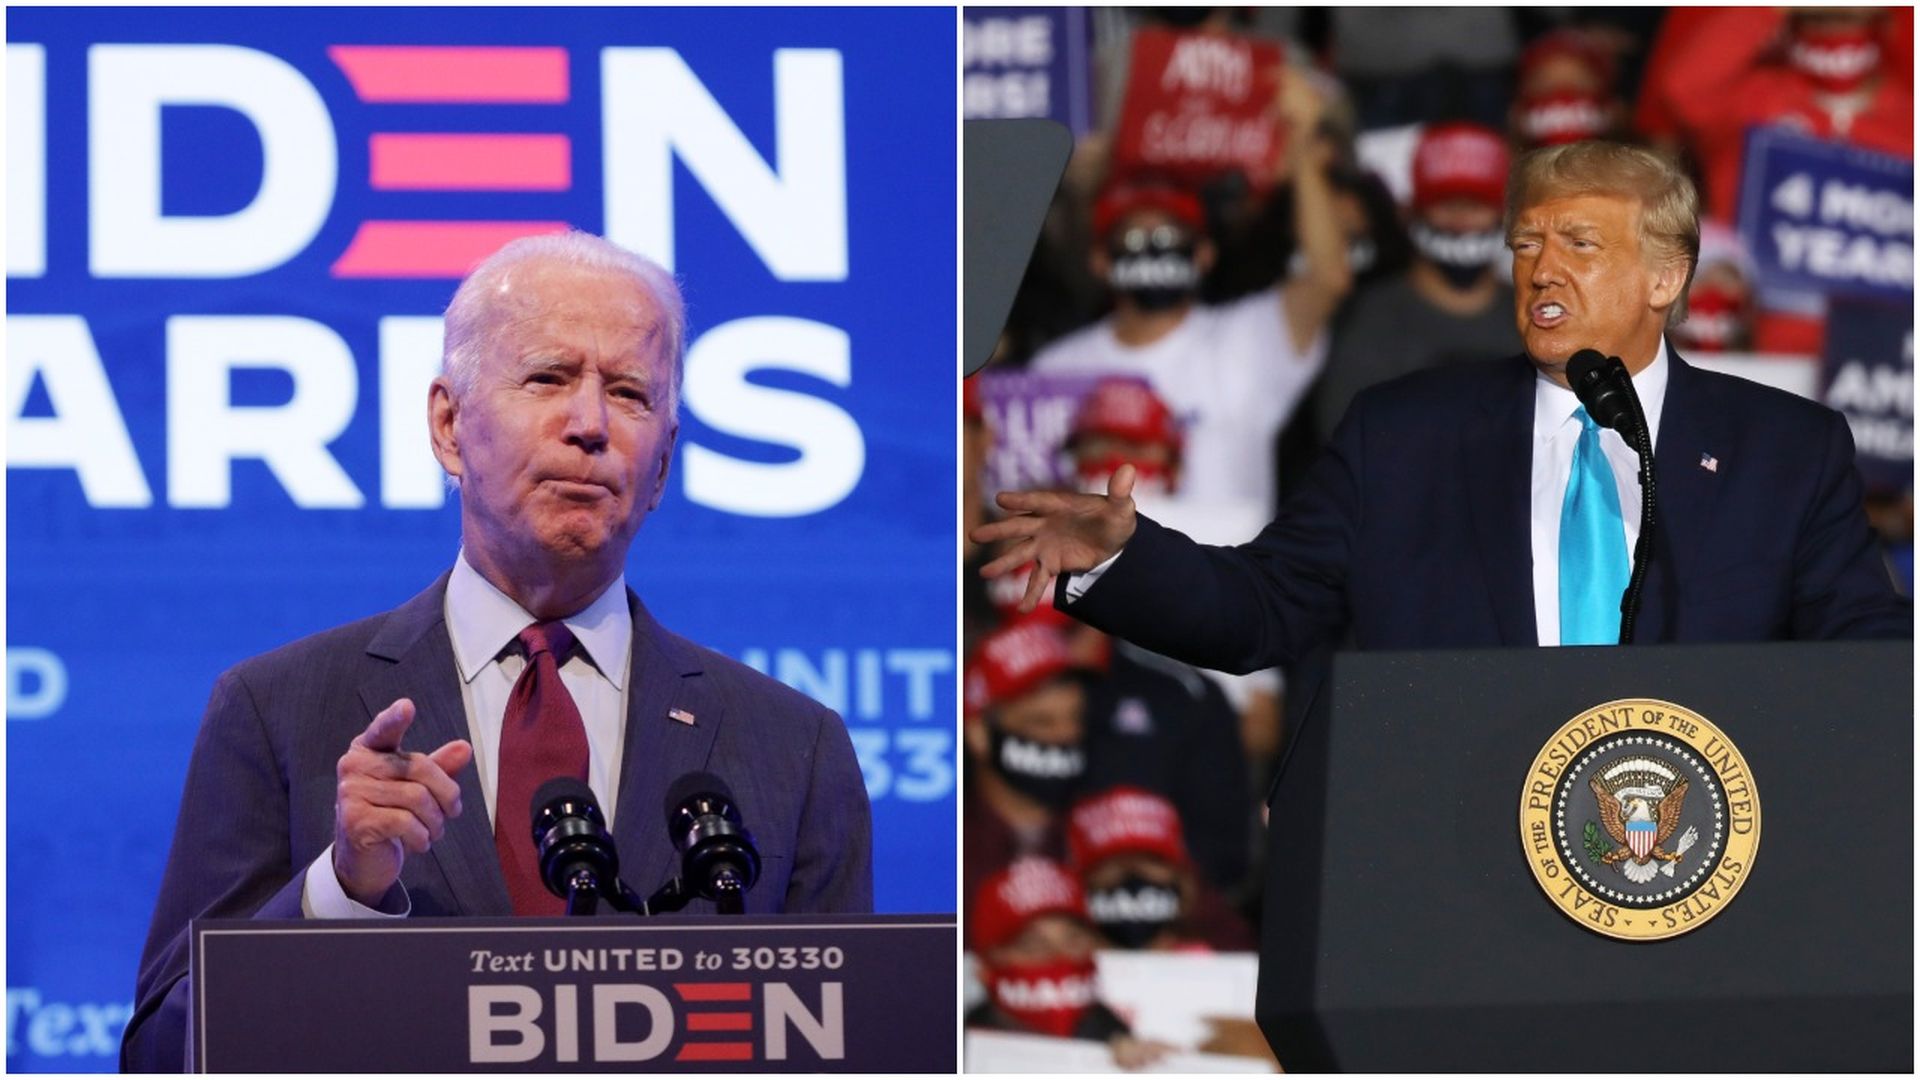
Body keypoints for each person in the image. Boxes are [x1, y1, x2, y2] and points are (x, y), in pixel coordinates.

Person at [123, 232, 873, 1071]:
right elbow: (164, 1052)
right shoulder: (277, 710)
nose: (588, 425)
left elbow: (855, 1048)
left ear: (662, 465)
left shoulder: (792, 748)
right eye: (548, 378)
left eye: (629, 393)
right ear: (449, 424)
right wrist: (343, 890)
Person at [975, 141, 1909, 675]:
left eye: (1580, 243)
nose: (1542, 269)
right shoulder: (1404, 436)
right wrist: (1123, 558)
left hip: (1704, 885)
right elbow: (1263, 609)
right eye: (1527, 244)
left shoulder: (1785, 448)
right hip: (1458, 872)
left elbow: (1862, 663)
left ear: (1666, 276)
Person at [1026, 63, 1352, 511]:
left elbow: (1327, 277)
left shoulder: (1247, 339)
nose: (1154, 251)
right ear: (1100, 261)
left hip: (1225, 578)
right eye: (1133, 240)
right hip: (1096, 581)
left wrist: (1302, 156)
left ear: (1205, 255)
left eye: (1171, 238)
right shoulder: (1054, 371)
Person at [1311, 121, 1523, 438]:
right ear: (1410, 211)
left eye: (1477, 205)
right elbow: (1348, 454)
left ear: (1506, 216)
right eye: (1447, 203)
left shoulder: (1534, 318)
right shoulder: (1368, 321)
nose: (1462, 221)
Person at [966, 856, 1170, 1069]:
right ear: (985, 970)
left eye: (1074, 940)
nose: (1059, 956)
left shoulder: (1115, 1035)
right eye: (1033, 946)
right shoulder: (950, 1053)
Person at [1066, 786, 1256, 953]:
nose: (1133, 873)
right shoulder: (1060, 963)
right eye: (1114, 863)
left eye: (1150, 860)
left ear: (1183, 879)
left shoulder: (1219, 956)